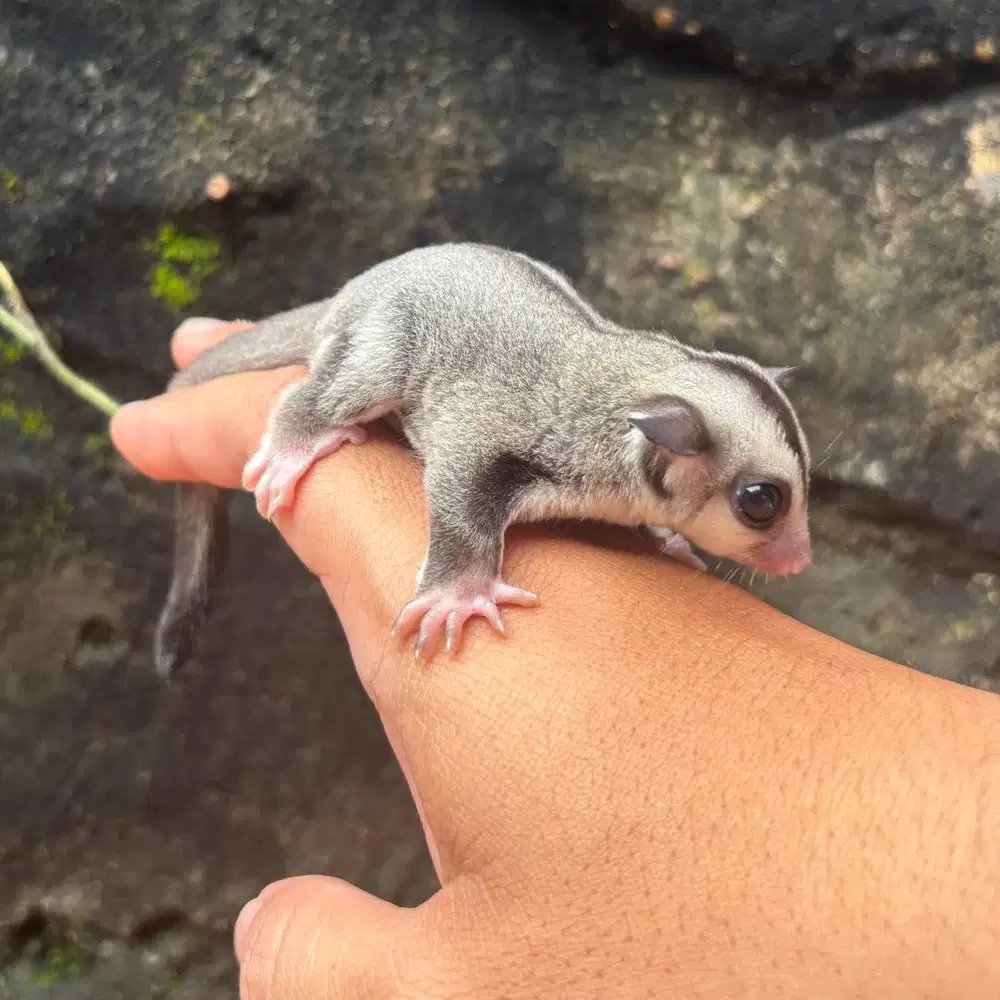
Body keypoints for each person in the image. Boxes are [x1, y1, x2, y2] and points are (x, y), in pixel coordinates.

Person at [110, 317, 1000, 1000]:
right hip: (419, 317)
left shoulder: (647, 456)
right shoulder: (569, 446)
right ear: (671, 453)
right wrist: (458, 575)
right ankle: (299, 416)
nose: (795, 555)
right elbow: (466, 458)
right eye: (762, 507)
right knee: (361, 379)